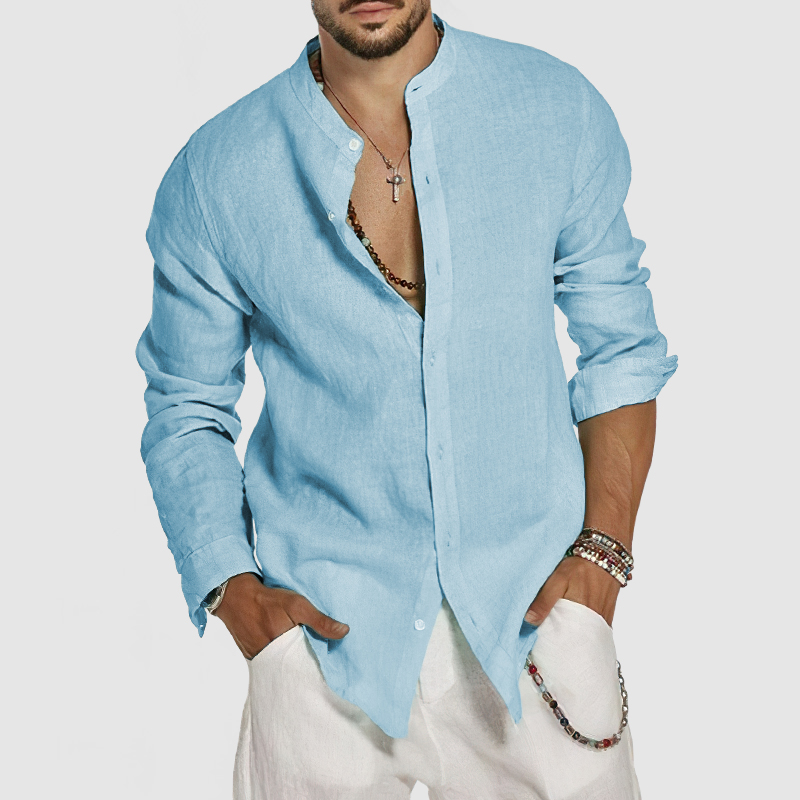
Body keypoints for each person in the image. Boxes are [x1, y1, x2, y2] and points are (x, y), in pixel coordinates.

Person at [135, 2, 677, 798]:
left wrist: (602, 561)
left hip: (534, 633)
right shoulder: (216, 173)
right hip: (322, 655)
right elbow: (187, 405)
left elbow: (622, 349)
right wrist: (232, 590)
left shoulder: (555, 110)